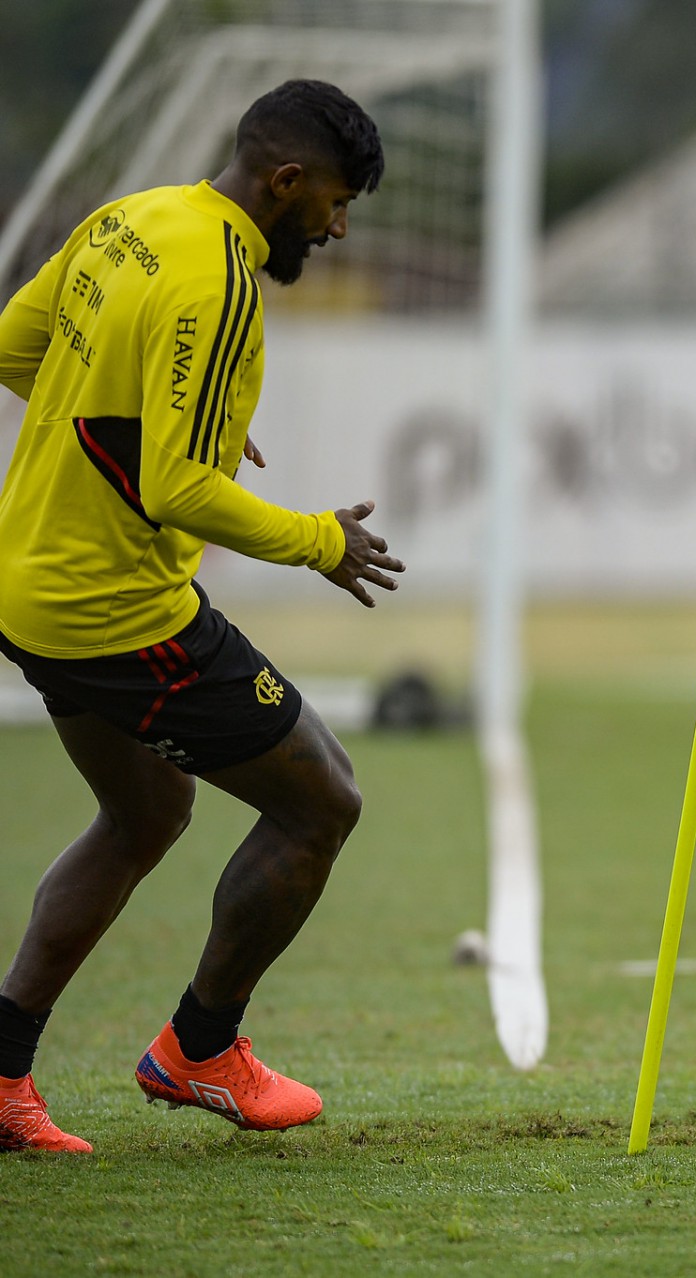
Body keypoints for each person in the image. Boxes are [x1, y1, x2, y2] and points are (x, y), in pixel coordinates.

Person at [0, 80, 404, 1153]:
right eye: (334, 201)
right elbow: (180, 492)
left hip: (27, 585)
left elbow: (11, 348)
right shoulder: (220, 278)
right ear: (286, 181)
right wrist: (323, 540)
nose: (338, 225)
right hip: (119, 612)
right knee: (322, 799)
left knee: (144, 817)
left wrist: (156, 427)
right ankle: (202, 1048)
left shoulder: (130, 217)